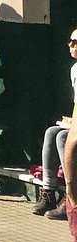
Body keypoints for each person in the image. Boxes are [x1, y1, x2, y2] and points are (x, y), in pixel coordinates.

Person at [34, 27, 77, 221]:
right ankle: (49, 192)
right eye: (70, 41)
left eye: (75, 42)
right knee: (52, 131)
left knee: (63, 137)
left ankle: (71, 195)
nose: (70, 45)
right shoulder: (74, 69)